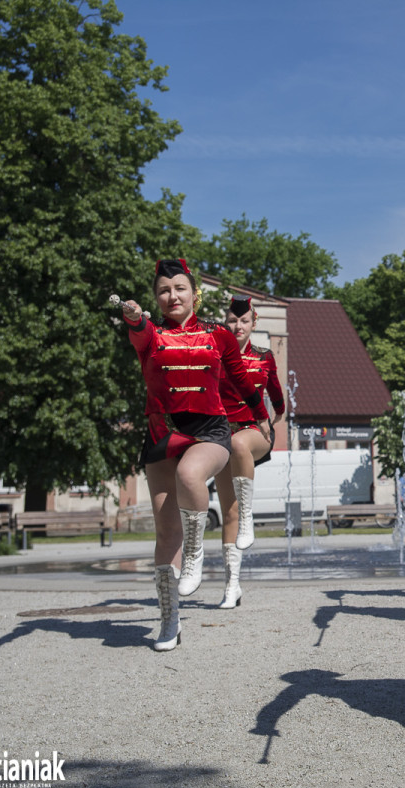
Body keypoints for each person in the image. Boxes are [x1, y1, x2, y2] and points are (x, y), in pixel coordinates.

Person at [121, 258, 267, 651]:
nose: (172, 295)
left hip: (209, 432)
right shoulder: (152, 335)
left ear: (194, 294)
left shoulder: (218, 335)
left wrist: (263, 419)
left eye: (180, 288)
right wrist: (135, 319)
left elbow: (240, 378)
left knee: (190, 476)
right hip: (161, 433)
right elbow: (139, 334)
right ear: (157, 298)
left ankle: (196, 553)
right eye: (164, 290)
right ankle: (169, 621)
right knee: (166, 532)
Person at [213, 294, 285, 609]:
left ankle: (249, 515)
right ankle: (232, 586)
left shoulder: (265, 356)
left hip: (254, 432)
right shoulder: (213, 355)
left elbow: (277, 397)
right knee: (227, 511)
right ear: (225, 323)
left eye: (243, 320)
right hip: (220, 436)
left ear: (253, 323)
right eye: (232, 320)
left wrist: (273, 419)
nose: (237, 325)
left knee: (241, 442)